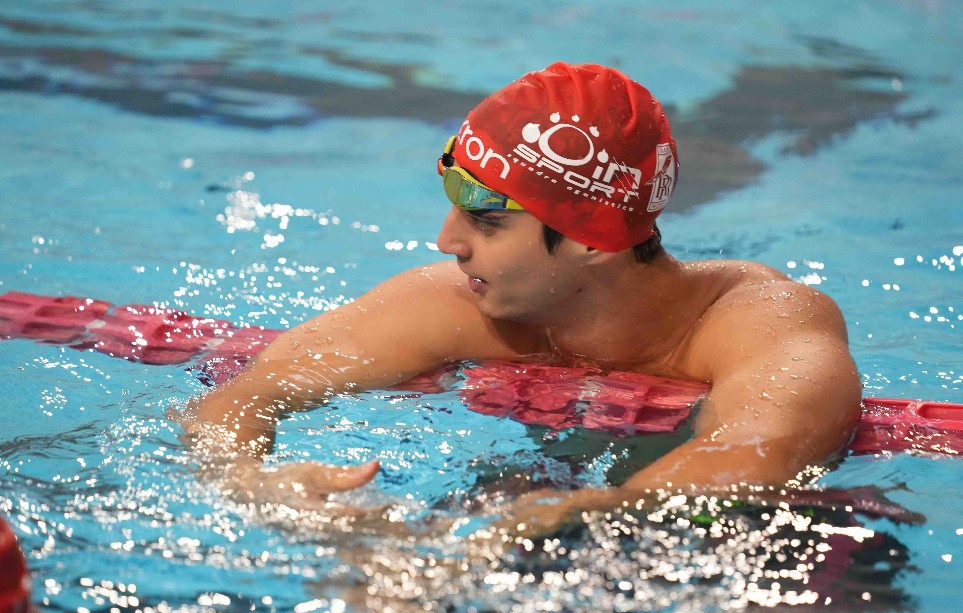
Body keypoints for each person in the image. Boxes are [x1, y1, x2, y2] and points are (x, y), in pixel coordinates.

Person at [180, 62, 861, 534]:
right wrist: (248, 480)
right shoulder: (458, 304)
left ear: (592, 237)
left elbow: (763, 450)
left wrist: (581, 516)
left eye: (486, 221)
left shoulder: (760, 319)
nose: (447, 241)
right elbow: (251, 391)